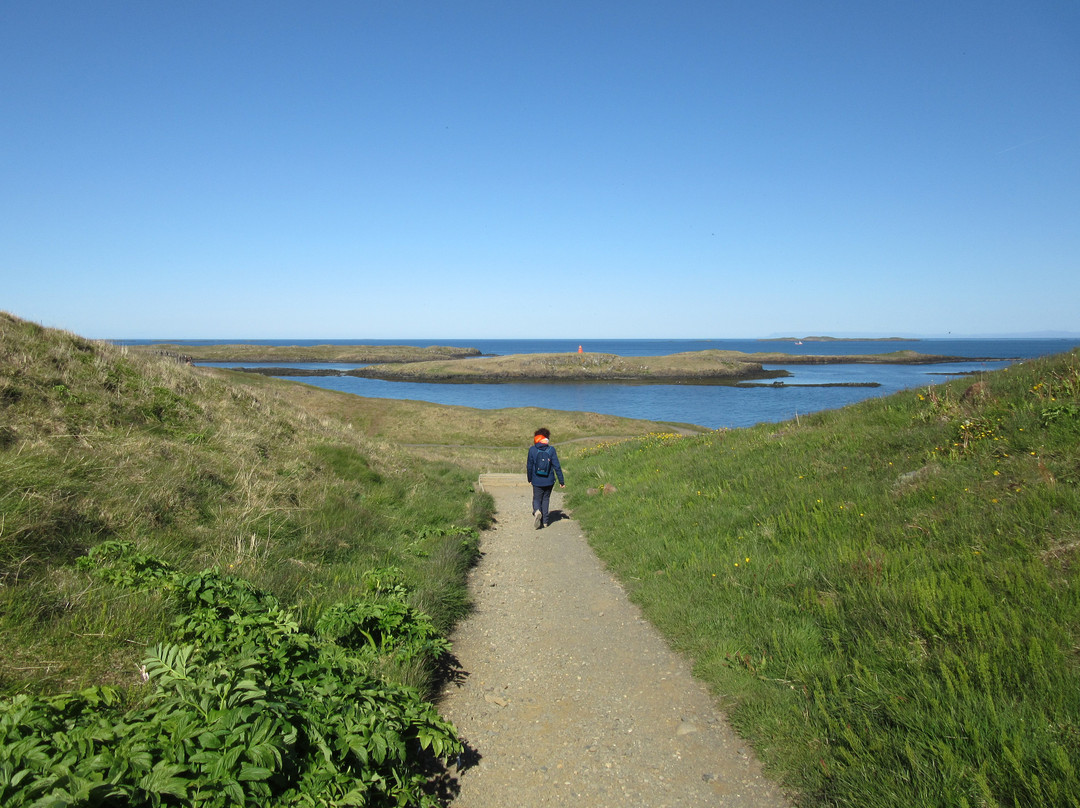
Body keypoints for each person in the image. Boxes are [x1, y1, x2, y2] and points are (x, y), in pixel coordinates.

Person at [526, 427, 564, 529]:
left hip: (536, 480)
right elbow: (557, 466)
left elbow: (529, 466)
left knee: (537, 498)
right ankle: (545, 522)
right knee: (546, 499)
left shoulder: (532, 450)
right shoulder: (551, 450)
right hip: (549, 480)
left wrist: (529, 479)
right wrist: (561, 481)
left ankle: (537, 511)